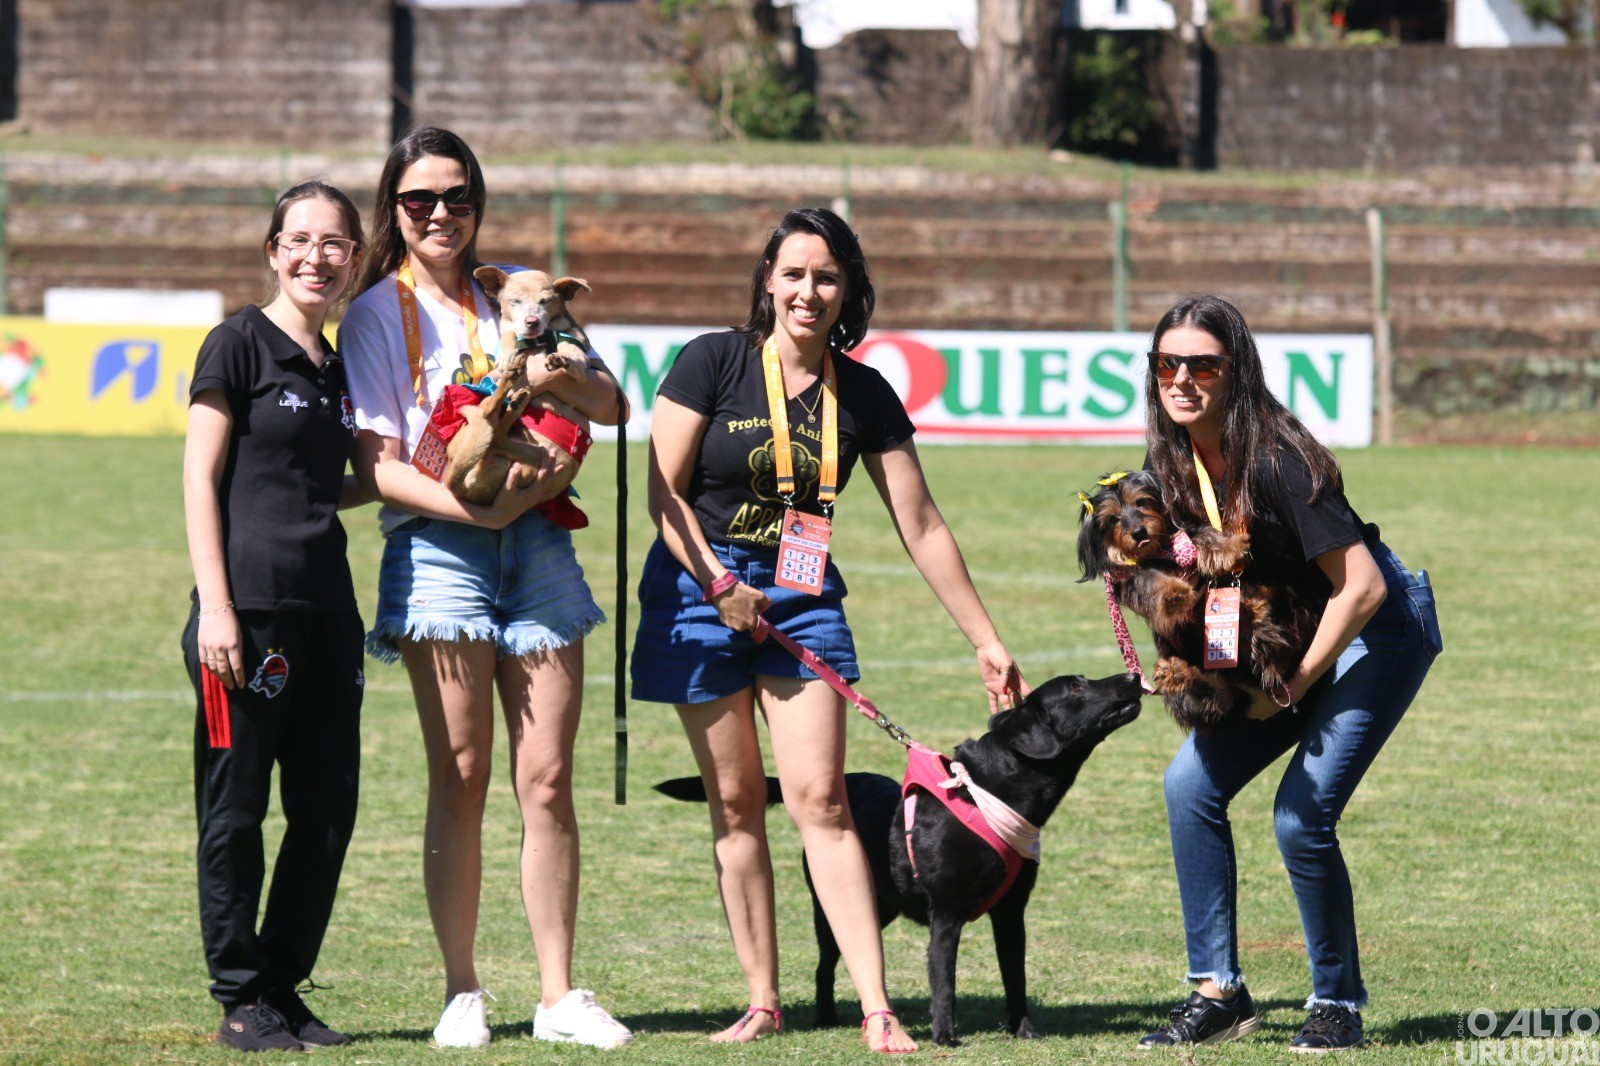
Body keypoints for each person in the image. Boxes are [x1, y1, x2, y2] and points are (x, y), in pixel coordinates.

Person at [631, 206, 1027, 1054]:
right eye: (794, 273)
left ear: (847, 290)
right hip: (701, 581)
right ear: (768, 279)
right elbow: (661, 493)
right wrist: (719, 582)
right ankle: (763, 1000)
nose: (808, 291)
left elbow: (921, 524)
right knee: (736, 804)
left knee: (823, 798)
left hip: (803, 591)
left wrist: (985, 638)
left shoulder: (866, 391)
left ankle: (877, 1006)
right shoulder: (712, 361)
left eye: (826, 277)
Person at [338, 126, 632, 1050]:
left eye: (456, 197)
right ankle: (463, 988)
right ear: (394, 208)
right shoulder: (377, 314)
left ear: (478, 203)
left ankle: (558, 996)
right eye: (419, 199)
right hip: (441, 551)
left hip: (541, 545)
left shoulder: (521, 290)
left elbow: (614, 403)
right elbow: (379, 466)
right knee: (460, 778)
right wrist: (483, 516)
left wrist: (551, 370)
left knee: (546, 779)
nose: (439, 214)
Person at [1134, 295, 1442, 1052]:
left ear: (1235, 371)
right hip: (1292, 634)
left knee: (1301, 816)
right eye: (1168, 363)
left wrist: (1290, 688)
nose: (1183, 378)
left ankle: (1336, 1001)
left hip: (1375, 630)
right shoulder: (1169, 464)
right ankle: (1218, 992)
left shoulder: (1276, 455)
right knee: (1188, 786)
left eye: (1203, 364)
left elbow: (1362, 588)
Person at [181, 179, 370, 1052]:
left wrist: (463, 466)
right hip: (244, 616)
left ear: (354, 260)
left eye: (333, 244)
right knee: (236, 810)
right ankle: (240, 995)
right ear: (272, 251)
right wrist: (215, 606)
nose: (315, 257)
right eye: (299, 240)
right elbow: (200, 476)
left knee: (328, 807)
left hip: (328, 613)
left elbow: (324, 486)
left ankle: (286, 985)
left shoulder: (337, 367)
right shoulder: (239, 343)